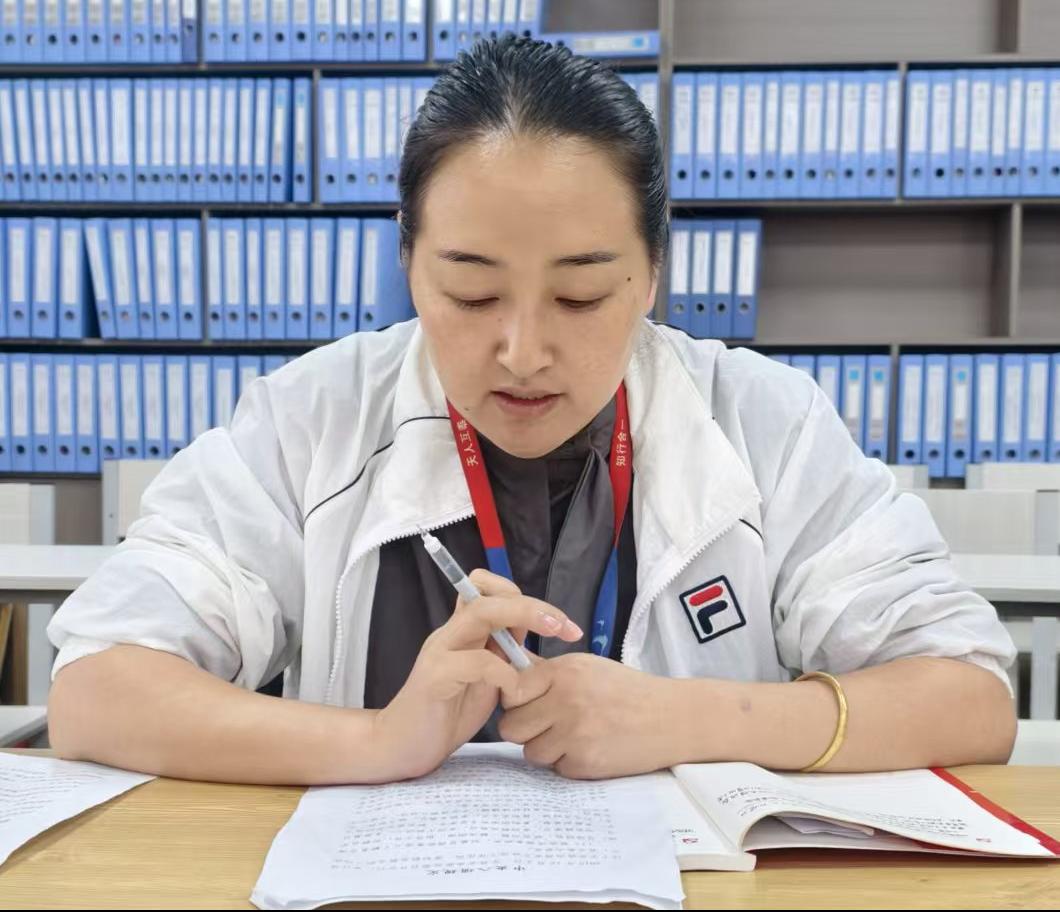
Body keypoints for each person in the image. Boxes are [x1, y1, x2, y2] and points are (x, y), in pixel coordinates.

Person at [47, 36, 1016, 785]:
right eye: (471, 293)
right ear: (408, 263)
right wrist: (377, 740)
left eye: (580, 296)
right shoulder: (313, 418)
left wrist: (688, 719)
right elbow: (97, 690)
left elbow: (969, 697)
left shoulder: (763, 420)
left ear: (652, 273)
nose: (521, 351)